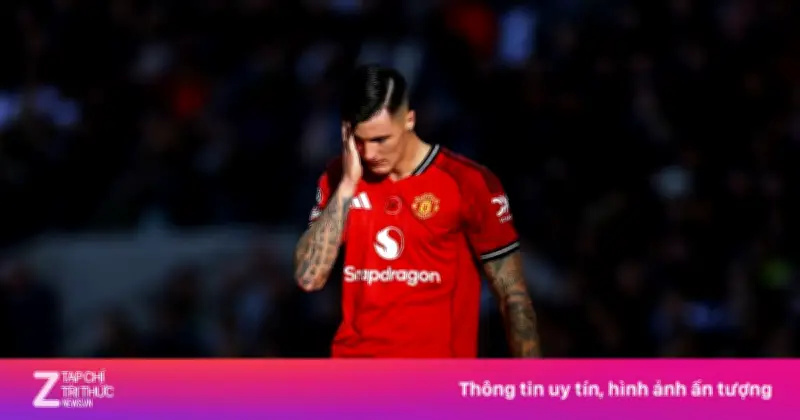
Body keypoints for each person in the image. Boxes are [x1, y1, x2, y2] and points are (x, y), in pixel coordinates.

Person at [293, 64, 540, 358]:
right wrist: (347, 186)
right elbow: (308, 277)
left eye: (381, 139)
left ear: (409, 120)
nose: (369, 153)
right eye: (359, 140)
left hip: (435, 375)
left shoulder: (467, 182)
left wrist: (530, 377)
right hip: (355, 373)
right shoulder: (339, 178)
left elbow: (513, 297)